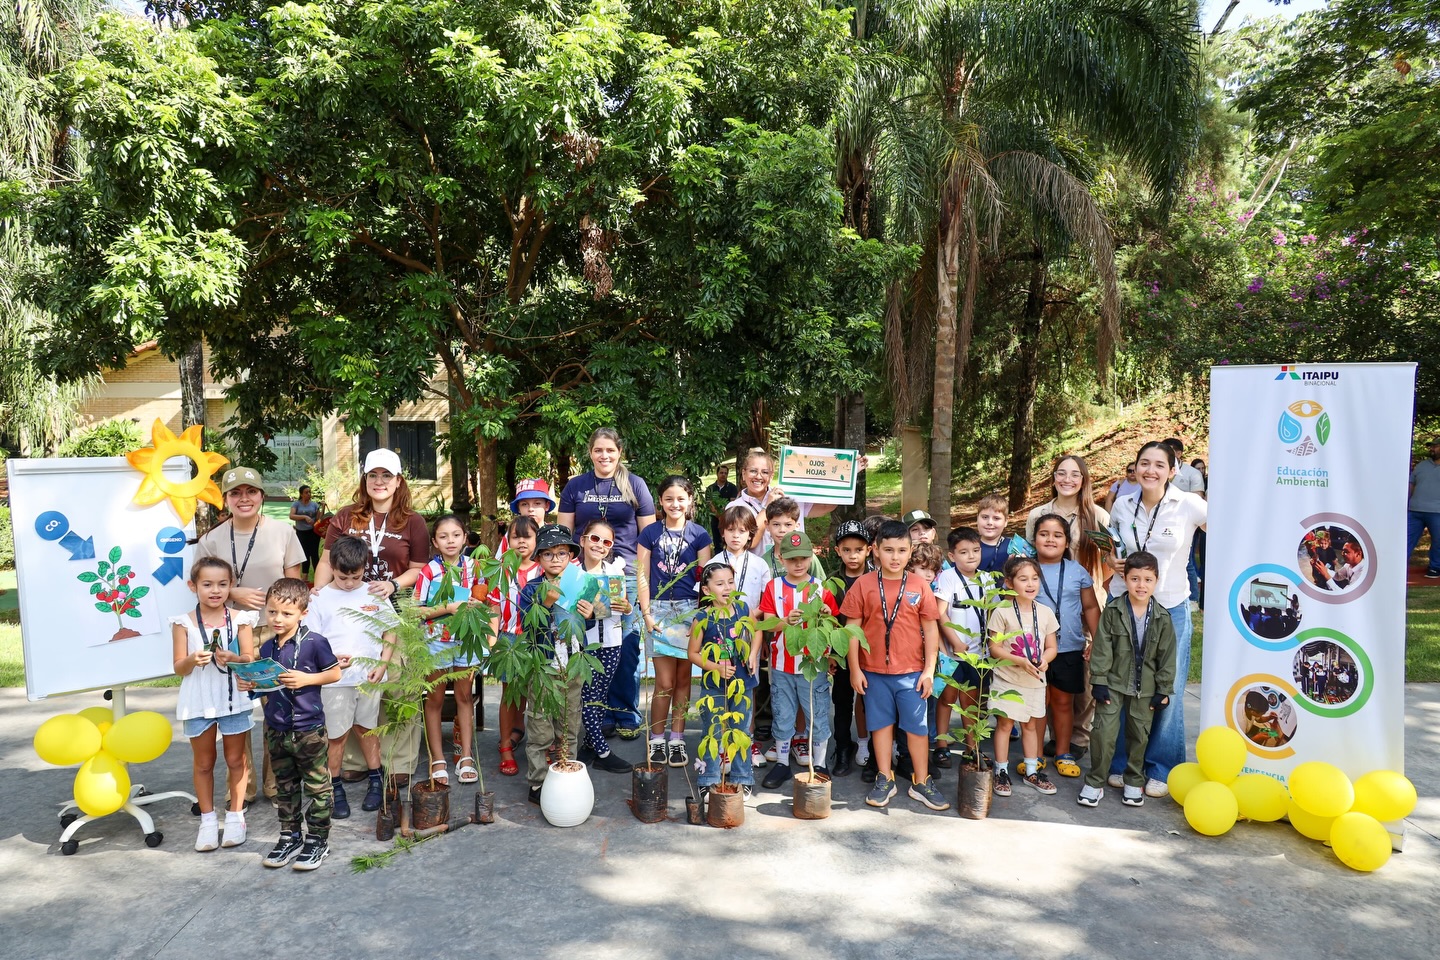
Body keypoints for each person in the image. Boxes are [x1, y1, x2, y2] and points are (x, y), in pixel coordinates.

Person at [195, 465, 305, 805]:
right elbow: (201, 588)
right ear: (225, 499)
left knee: (276, 709)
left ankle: (277, 783)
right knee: (236, 710)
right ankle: (242, 787)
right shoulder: (212, 539)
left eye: (251, 492)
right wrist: (235, 593)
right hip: (230, 633)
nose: (244, 499)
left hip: (273, 632)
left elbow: (295, 588)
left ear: (261, 495)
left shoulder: (283, 532)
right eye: (236, 493)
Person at [1105, 440, 1207, 796]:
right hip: (1124, 604)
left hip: (1170, 607)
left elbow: (1228, 535)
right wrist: (1112, 563)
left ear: (1173, 470)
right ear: (1135, 467)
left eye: (1159, 465)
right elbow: (1114, 550)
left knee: (1169, 688)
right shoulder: (1122, 504)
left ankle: (1162, 768)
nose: (1150, 470)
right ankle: (1119, 763)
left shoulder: (1189, 505)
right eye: (1144, 463)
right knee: (1122, 682)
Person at [842, 520, 949, 811]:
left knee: (917, 728)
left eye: (902, 550)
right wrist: (855, 669)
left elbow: (931, 629)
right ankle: (884, 776)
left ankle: (922, 780)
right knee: (880, 725)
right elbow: (852, 631)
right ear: (875, 550)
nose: (895, 557)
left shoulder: (919, 585)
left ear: (910, 550)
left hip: (912, 673)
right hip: (874, 672)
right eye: (888, 550)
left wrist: (929, 670)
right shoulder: (864, 585)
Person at [558, 428, 656, 741]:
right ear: (590, 453)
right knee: (587, 646)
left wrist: (642, 588)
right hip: (584, 576)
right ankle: (594, 715)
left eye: (610, 451)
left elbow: (648, 540)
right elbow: (564, 537)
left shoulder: (635, 485)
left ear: (619, 452)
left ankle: (624, 711)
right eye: (598, 450)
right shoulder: (576, 486)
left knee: (624, 647)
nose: (604, 456)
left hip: (622, 575)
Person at [238, 578, 341, 871]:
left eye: (286, 613)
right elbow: (268, 683)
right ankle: (290, 835)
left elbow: (334, 674)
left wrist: (307, 679)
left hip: (308, 730)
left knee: (318, 787)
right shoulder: (268, 646)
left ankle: (318, 840)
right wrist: (251, 684)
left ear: (303, 613)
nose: (278, 619)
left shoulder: (315, 642)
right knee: (284, 786)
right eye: (272, 613)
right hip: (277, 727)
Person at [306, 536, 397, 819]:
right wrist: (330, 664)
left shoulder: (373, 593)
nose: (348, 582)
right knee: (337, 736)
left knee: (368, 730)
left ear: (364, 568)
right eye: (343, 576)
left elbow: (390, 631)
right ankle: (335, 788)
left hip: (369, 678)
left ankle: (375, 779)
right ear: (331, 566)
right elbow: (312, 640)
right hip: (335, 680)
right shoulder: (319, 598)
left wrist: (382, 665)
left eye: (355, 576)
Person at [171, 556, 257, 852]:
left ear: (231, 586)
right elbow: (178, 667)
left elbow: (250, 658)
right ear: (193, 586)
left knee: (236, 760)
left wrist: (234, 658)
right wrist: (192, 660)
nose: (215, 590)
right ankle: (208, 821)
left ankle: (236, 816)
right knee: (204, 762)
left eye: (222, 584)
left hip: (233, 697)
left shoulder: (241, 619)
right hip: (199, 700)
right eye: (207, 584)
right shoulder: (183, 623)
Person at [1079, 551, 1176, 808]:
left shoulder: (1163, 618)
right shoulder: (1112, 611)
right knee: (1103, 732)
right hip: (1112, 684)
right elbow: (1102, 647)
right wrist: (1098, 680)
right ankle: (1095, 781)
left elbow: (1167, 657)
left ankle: (1134, 781)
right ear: (1125, 579)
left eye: (1147, 579)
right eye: (1134, 579)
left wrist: (1164, 689)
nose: (1140, 585)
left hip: (1146, 689)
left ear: (1156, 581)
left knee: (1139, 735)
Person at [636, 475, 713, 766]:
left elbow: (706, 579)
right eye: (669, 498)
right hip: (659, 610)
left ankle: (677, 739)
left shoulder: (699, 534)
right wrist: (646, 613)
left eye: (681, 498)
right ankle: (656, 739)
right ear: (660, 502)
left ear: (690, 500)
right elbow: (642, 575)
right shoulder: (650, 533)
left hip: (690, 610)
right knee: (664, 682)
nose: (675, 504)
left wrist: (701, 618)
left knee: (683, 680)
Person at [758, 531, 839, 790]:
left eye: (803, 558)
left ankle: (820, 763)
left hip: (813, 665)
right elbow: (768, 622)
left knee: (817, 712)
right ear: (781, 558)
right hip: (782, 664)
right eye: (792, 559)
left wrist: (827, 613)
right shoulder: (774, 587)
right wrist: (786, 622)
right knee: (783, 713)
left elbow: (834, 622)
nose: (798, 564)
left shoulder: (820, 587)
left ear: (811, 556)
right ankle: (782, 763)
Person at [518, 525, 588, 805]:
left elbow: (596, 617)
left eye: (561, 552)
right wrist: (544, 604)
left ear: (571, 555)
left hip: (572, 663)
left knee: (570, 722)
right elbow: (526, 626)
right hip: (543, 666)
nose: (555, 559)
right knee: (539, 725)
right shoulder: (532, 588)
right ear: (538, 559)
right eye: (547, 554)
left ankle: (567, 771)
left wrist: (593, 612)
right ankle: (537, 782)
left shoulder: (581, 583)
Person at [414, 515, 485, 785]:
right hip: (436, 641)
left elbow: (485, 599)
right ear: (434, 541)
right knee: (434, 700)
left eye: (456, 535)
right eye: (443, 536)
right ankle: (437, 758)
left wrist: (477, 607)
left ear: (465, 537)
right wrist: (446, 609)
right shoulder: (429, 571)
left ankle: (466, 757)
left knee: (464, 698)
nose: (450, 541)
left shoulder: (475, 567)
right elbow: (417, 611)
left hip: (466, 639)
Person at [1031, 514, 1100, 780]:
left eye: (1057, 535)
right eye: (1044, 534)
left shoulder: (1076, 571)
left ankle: (1063, 752)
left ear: (1067, 541)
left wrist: (1096, 640)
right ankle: (1034, 755)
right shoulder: (1026, 569)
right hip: (1033, 652)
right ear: (1034, 539)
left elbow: (1091, 606)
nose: (1050, 539)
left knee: (1063, 703)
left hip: (1069, 647)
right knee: (1037, 704)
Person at [988, 556, 1060, 798]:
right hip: (1007, 678)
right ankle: (1000, 771)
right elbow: (994, 647)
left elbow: (1051, 647)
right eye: (1023, 579)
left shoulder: (1046, 612)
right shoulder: (1002, 610)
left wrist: (1044, 660)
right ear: (1009, 583)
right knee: (1005, 724)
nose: (1030, 584)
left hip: (1035, 681)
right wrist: (1020, 661)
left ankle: (1032, 771)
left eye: (1034, 578)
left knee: (1030, 725)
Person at [689, 560, 758, 799]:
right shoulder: (703, 617)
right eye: (720, 583)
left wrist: (754, 655)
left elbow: (756, 630)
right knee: (712, 731)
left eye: (730, 582)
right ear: (707, 590)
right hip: (713, 685)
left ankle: (742, 776)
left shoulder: (742, 608)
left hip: (742, 682)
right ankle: (708, 777)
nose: (727, 587)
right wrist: (715, 667)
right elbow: (693, 653)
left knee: (741, 731)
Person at [714, 503, 773, 771]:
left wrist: (750, 616)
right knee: (723, 689)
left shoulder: (759, 564)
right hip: (719, 634)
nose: (736, 535)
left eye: (742, 531)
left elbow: (765, 603)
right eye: (730, 530)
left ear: (751, 534)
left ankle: (746, 744)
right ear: (722, 533)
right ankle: (725, 746)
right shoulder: (714, 563)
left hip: (750, 632)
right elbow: (704, 602)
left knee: (746, 691)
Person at [575, 518, 633, 774]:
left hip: (612, 641)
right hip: (583, 646)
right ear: (583, 540)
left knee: (600, 694)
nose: (599, 545)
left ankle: (589, 743)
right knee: (588, 697)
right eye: (594, 538)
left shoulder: (615, 573)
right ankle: (603, 751)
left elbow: (625, 606)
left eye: (606, 542)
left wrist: (628, 607)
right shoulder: (572, 573)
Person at [933, 527, 995, 767]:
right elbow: (940, 614)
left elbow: (993, 613)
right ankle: (941, 745)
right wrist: (956, 643)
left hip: (980, 655)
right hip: (953, 654)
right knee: (947, 698)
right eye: (964, 552)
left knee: (972, 700)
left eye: (976, 550)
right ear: (952, 556)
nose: (971, 556)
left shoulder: (988, 580)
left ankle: (972, 747)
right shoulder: (948, 578)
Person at [489, 515, 540, 776]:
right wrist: (492, 639)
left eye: (527, 536)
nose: (521, 541)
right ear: (507, 541)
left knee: (538, 692)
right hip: (509, 637)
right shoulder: (501, 569)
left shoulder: (544, 567)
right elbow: (494, 606)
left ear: (537, 539)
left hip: (538, 640)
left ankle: (543, 746)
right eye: (515, 536)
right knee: (510, 694)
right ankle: (506, 746)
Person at [727, 447, 852, 555]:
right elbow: (750, 541)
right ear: (743, 474)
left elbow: (827, 506)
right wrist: (767, 506)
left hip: (793, 571)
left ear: (771, 476)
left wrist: (849, 473)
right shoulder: (735, 507)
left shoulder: (788, 498)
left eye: (765, 472)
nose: (758, 476)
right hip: (758, 574)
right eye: (753, 471)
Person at [826, 519, 871, 778]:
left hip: (871, 653)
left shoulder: (876, 578)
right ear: (838, 551)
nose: (852, 555)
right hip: (842, 654)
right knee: (841, 702)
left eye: (858, 549)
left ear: (869, 549)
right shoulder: (833, 583)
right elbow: (831, 619)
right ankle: (843, 747)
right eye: (847, 549)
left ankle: (874, 752)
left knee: (870, 704)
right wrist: (832, 653)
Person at [760, 497, 826, 579]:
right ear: (767, 525)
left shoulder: (808, 557)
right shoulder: (763, 562)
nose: (782, 530)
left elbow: (823, 587)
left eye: (788, 525)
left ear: (797, 525)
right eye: (776, 524)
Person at [497, 478, 558, 554]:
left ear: (547, 505)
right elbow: (499, 563)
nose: (530, 509)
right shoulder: (510, 535)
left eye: (537, 503)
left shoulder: (555, 534)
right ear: (518, 507)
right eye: (524, 504)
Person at [1409, 438, 1440, 578]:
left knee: (1438, 541)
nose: (1432, 449)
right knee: (1406, 540)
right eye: (1431, 447)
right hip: (1414, 510)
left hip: (1437, 511)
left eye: (1435, 446)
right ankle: (1398, 566)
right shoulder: (1421, 465)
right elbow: (1411, 484)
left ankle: (1435, 568)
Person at [289, 485, 325, 578]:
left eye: (309, 492)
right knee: (304, 554)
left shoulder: (314, 505)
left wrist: (323, 508)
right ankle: (305, 575)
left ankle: (318, 575)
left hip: (313, 532)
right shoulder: (296, 504)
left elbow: (319, 518)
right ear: (301, 494)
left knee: (314, 554)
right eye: (306, 492)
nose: (309, 494)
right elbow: (291, 516)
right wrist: (304, 517)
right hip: (301, 532)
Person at [974, 494, 1013, 574]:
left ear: (1005, 521)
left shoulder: (1013, 548)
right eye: (985, 517)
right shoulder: (966, 546)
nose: (990, 523)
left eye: (996, 518)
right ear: (977, 518)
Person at [702, 465, 739, 544]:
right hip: (715, 519)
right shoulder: (710, 488)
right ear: (717, 473)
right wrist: (718, 515)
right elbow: (709, 504)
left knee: (728, 542)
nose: (723, 475)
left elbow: (732, 504)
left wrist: (723, 516)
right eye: (721, 473)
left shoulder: (732, 488)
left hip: (728, 519)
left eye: (725, 473)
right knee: (717, 543)